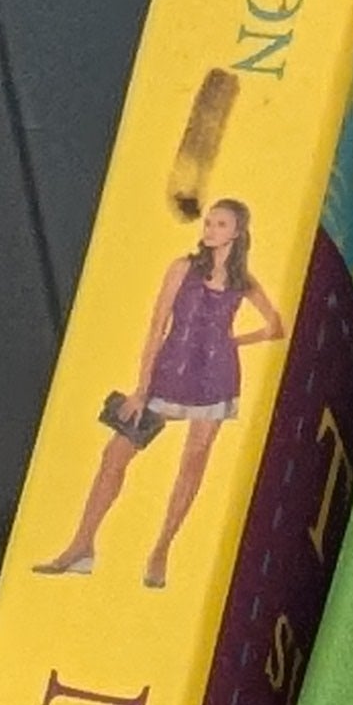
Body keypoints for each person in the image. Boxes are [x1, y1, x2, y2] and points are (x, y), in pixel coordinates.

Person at [37, 196, 285, 590]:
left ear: (238, 233)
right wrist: (141, 389)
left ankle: (161, 550)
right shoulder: (182, 268)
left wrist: (234, 343)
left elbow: (275, 327)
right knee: (115, 455)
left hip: (214, 379)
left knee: (193, 463)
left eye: (220, 224)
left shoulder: (244, 282)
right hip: (169, 374)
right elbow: (157, 327)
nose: (210, 229)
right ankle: (82, 544)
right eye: (208, 222)